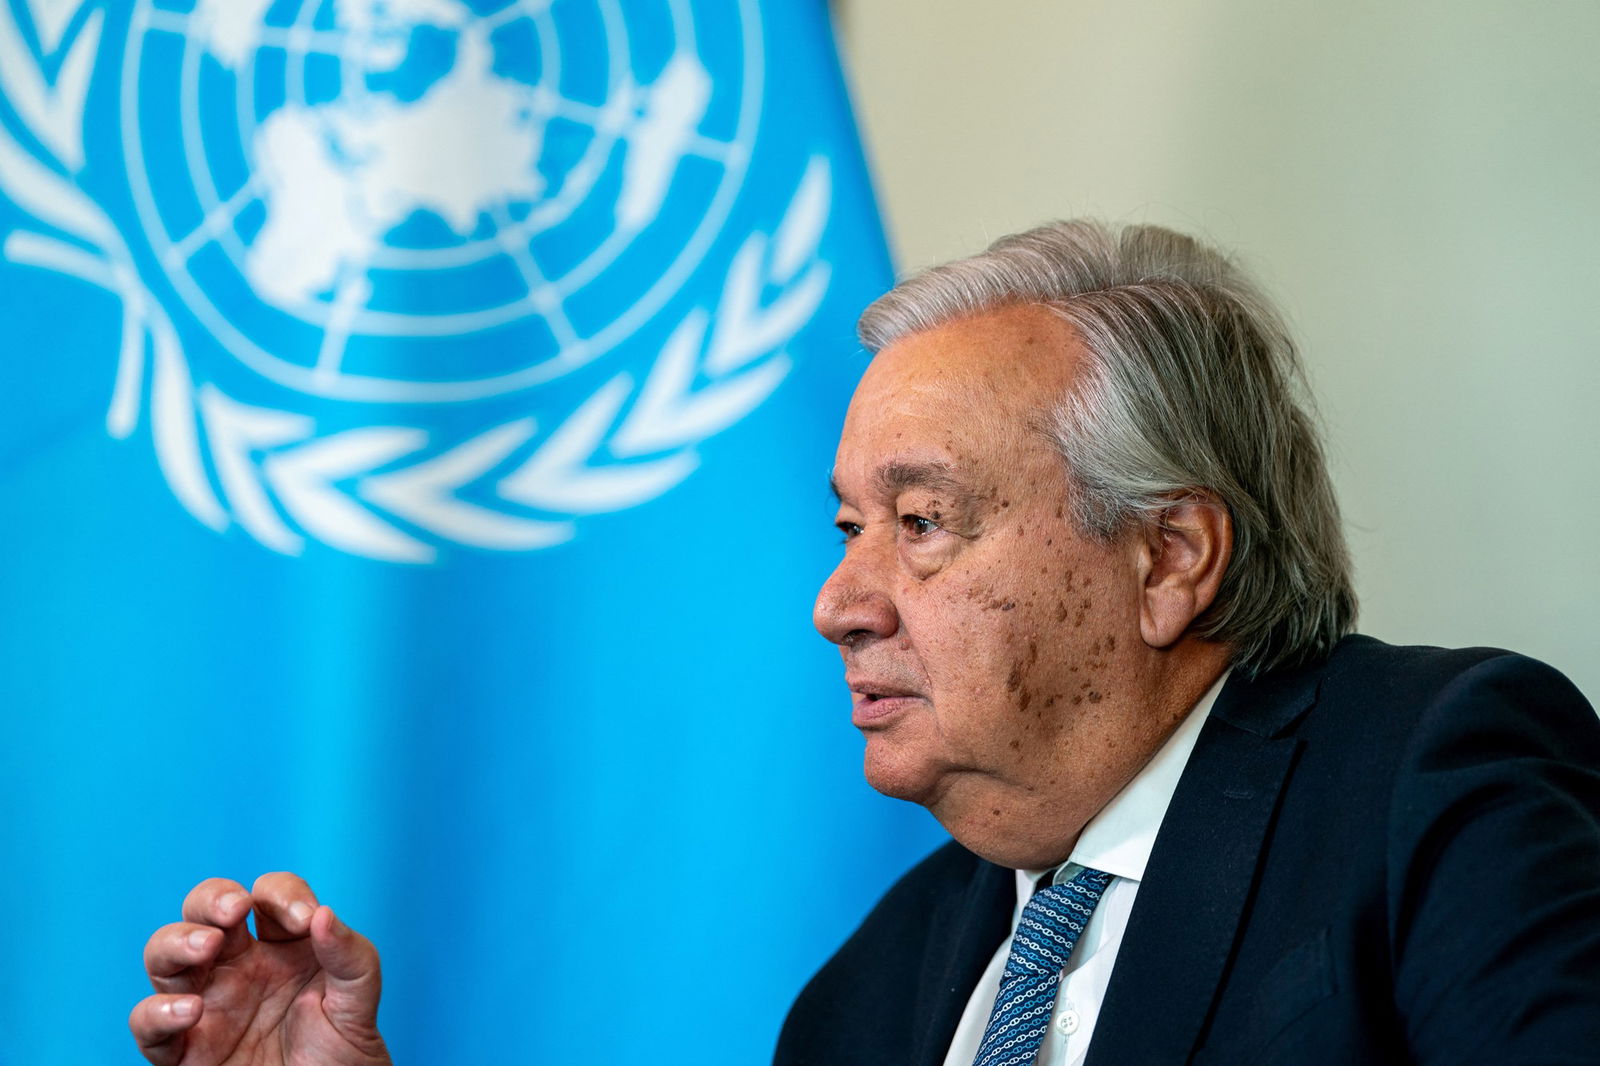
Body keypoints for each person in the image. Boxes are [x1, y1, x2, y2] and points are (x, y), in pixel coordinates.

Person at [130, 220, 1600, 1066]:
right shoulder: (877, 987)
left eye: (924, 520)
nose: (843, 601)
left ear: (1167, 558)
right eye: (847, 527)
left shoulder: (1432, 785)